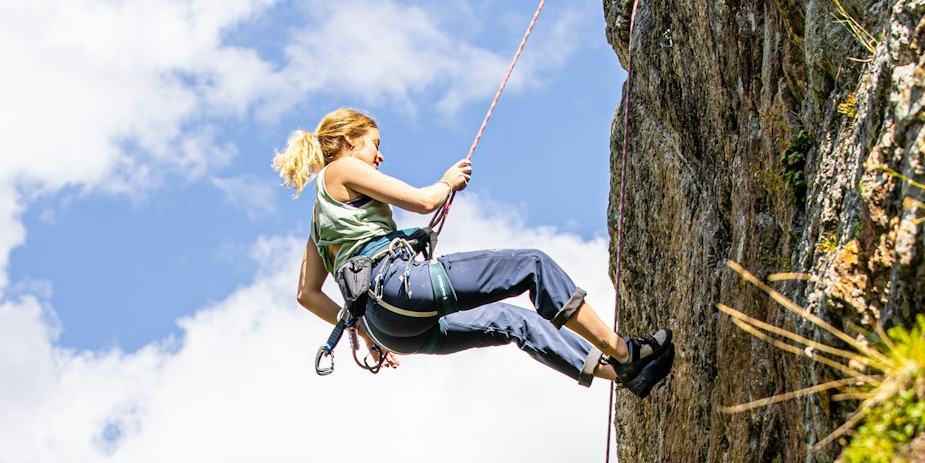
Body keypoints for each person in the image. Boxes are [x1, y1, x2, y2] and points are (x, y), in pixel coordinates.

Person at [274, 107, 674, 394]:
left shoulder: (319, 219)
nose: (379, 155)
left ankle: (617, 373)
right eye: (374, 145)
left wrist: (363, 331)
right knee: (532, 266)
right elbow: (424, 200)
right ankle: (625, 353)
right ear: (349, 141)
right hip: (398, 286)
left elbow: (306, 294)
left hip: (390, 328)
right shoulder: (340, 169)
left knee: (510, 321)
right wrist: (447, 182)